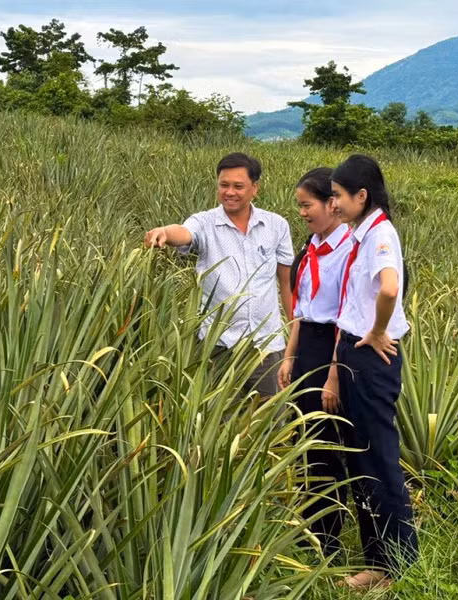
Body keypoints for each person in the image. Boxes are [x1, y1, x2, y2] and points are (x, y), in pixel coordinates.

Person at [326, 154, 418, 590]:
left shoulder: (379, 233)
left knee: (377, 460)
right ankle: (378, 560)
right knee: (363, 457)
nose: (334, 204)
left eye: (339, 196)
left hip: (369, 357)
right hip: (352, 352)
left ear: (361, 196)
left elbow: (389, 287)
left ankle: (394, 565)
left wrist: (378, 330)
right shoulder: (360, 232)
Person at [144, 152, 294, 397]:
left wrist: (293, 338)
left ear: (254, 188)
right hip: (218, 346)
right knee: (218, 420)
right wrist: (163, 232)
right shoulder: (204, 223)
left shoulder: (276, 225)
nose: (229, 192)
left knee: (271, 420)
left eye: (238, 186)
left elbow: (287, 283)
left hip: (266, 346)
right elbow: (183, 232)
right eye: (224, 185)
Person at [276, 167, 352, 555]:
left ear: (332, 204)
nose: (303, 213)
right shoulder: (310, 247)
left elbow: (346, 316)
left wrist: (334, 377)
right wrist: (290, 357)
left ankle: (328, 540)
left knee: (325, 444)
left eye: (308, 205)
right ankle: (308, 529)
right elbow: (301, 310)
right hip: (307, 345)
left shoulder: (349, 250)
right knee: (302, 439)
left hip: (332, 351)